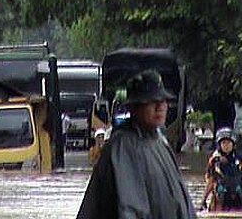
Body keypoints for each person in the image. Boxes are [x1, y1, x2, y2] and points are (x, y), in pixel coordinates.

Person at [77, 70, 196, 219]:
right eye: (151, 102)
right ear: (134, 108)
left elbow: (182, 202)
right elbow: (129, 207)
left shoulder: (160, 142)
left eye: (163, 101)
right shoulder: (123, 146)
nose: (159, 107)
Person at [199, 127, 242, 211]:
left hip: (238, 193)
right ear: (219, 145)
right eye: (223, 143)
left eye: (229, 143)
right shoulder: (215, 161)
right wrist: (203, 200)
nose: (226, 145)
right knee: (220, 192)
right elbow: (211, 180)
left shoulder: (241, 159)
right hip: (221, 194)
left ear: (233, 144)